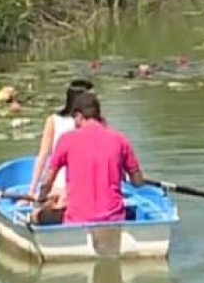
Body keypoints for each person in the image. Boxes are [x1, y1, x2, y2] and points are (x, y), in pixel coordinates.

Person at [32, 92, 143, 225]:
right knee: (131, 212)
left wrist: (41, 199)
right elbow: (138, 182)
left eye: (74, 118)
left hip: (76, 219)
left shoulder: (66, 139)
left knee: (35, 216)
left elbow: (48, 179)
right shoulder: (120, 140)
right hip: (114, 218)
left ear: (79, 116)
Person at [28, 79, 95, 208]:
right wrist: (31, 190)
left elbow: (42, 156)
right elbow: (42, 155)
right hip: (64, 181)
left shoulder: (94, 122)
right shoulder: (54, 121)